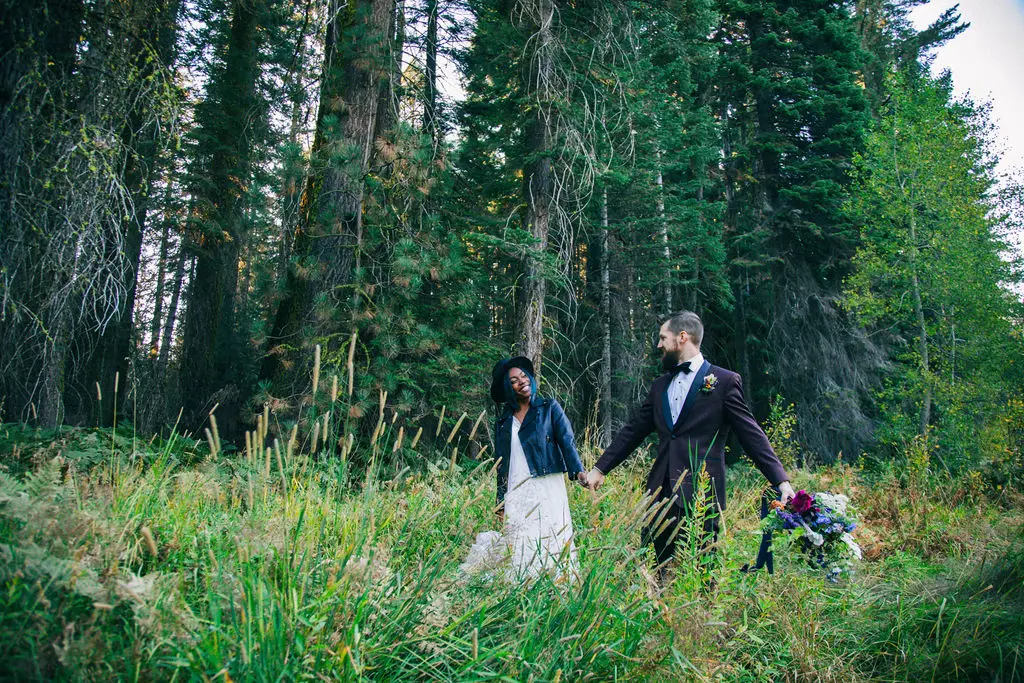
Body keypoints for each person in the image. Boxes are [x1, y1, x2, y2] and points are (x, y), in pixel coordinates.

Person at [586, 311, 795, 570]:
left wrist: (781, 481)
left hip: (701, 494)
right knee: (657, 568)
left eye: (663, 338)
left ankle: (703, 611)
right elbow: (633, 431)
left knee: (702, 571)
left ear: (682, 337)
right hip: (659, 493)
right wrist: (599, 469)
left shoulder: (724, 382)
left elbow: (751, 434)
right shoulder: (660, 385)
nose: (659, 344)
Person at [463, 356, 588, 580]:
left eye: (524, 376)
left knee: (552, 535)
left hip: (546, 484)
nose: (522, 381)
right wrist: (500, 503)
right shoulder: (503, 422)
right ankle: (524, 586)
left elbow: (566, 441)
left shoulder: (549, 408)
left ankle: (556, 583)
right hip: (516, 488)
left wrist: (578, 471)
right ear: (507, 388)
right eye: (514, 380)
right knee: (520, 539)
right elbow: (500, 467)